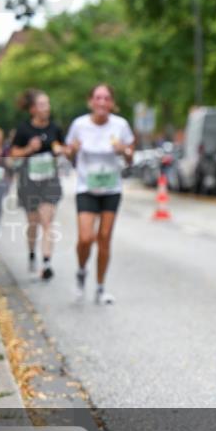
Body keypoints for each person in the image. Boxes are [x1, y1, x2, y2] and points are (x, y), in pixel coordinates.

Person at [65, 84, 134, 305]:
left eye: (106, 98)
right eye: (98, 98)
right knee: (85, 238)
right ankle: (81, 270)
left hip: (111, 189)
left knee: (104, 238)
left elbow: (131, 157)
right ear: (90, 102)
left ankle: (100, 287)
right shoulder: (79, 125)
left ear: (112, 103)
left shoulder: (120, 125)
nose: (102, 102)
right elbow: (68, 154)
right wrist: (72, 150)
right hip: (86, 188)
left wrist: (124, 150)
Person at [11, 88, 64, 281]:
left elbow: (63, 147)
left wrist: (61, 149)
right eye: (42, 104)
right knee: (33, 222)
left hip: (50, 179)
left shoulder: (55, 128)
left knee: (47, 221)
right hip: (29, 181)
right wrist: (28, 149)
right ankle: (32, 253)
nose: (46, 108)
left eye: (47, 104)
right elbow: (13, 154)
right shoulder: (24, 129)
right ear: (32, 109)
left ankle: (47, 263)